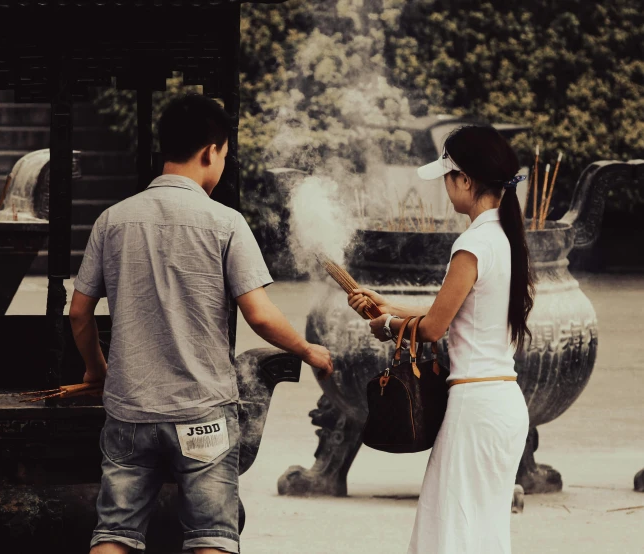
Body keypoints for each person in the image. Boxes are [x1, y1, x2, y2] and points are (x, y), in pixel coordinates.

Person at [69, 93, 333, 554]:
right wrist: (310, 351)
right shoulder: (225, 223)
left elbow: (79, 312)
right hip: (202, 417)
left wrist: (96, 369)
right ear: (211, 151)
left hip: (129, 412)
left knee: (114, 532)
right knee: (211, 536)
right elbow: (261, 315)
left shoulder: (112, 221)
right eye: (224, 156)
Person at [349, 125, 533, 554]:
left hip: (475, 409)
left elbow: (433, 329)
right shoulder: (505, 240)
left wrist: (387, 327)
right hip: (502, 405)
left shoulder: (471, 244)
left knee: (450, 535)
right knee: (481, 536)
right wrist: (389, 305)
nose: (446, 189)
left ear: (465, 180)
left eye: (448, 179)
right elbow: (450, 316)